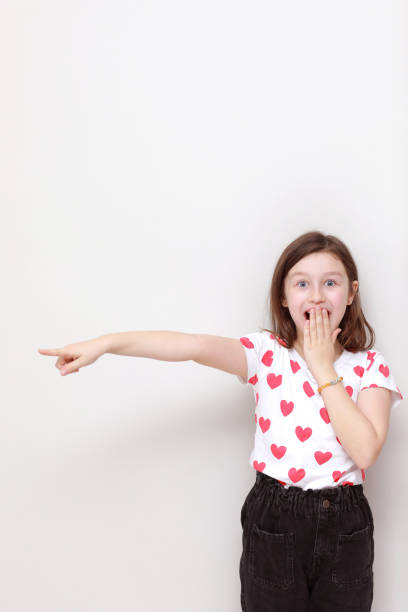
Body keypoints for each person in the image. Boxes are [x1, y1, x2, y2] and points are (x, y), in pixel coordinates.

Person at [38, 230, 404, 611]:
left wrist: (322, 365)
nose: (315, 295)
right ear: (283, 295)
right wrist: (105, 344)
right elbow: (192, 346)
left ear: (351, 292)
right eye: (301, 283)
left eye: (330, 282)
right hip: (274, 519)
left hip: (345, 524)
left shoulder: (369, 366)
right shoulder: (265, 354)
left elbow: (364, 451)